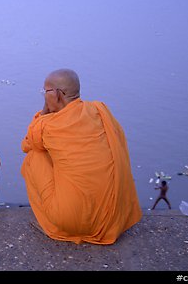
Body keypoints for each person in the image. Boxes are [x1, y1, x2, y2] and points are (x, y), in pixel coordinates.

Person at [21, 68, 142, 244]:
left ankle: (52, 223)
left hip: (70, 220)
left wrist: (44, 113)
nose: (43, 95)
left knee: (34, 156)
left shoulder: (47, 126)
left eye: (45, 91)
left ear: (56, 94)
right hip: (112, 217)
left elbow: (26, 144)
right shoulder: (99, 110)